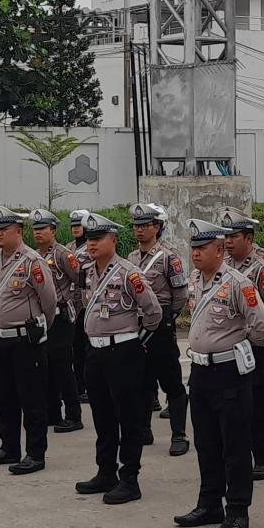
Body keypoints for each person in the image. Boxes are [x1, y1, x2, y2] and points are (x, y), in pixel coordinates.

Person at [172, 218, 264, 528]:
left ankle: (237, 510)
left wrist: (237, 343)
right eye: (194, 248)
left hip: (229, 373)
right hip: (201, 372)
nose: (196, 254)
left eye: (202, 248)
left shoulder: (238, 283)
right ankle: (209, 504)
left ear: (219, 250)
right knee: (206, 443)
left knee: (234, 445)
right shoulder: (194, 280)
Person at [74, 212, 163, 505]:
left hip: (122, 352)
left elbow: (153, 312)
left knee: (129, 416)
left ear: (113, 240)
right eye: (89, 239)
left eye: (98, 239)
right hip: (96, 352)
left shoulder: (128, 273)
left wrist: (138, 341)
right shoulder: (88, 271)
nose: (92, 244)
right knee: (102, 415)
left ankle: (130, 478)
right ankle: (105, 471)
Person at [0, 207, 57, 474]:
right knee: (4, 396)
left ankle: (35, 454)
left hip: (26, 340)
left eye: (4, 230)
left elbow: (49, 301)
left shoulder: (32, 261)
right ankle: (9, 447)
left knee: (31, 399)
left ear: (18, 232)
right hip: (0, 339)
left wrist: (38, 330)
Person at [223, 208, 264, 480]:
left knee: (259, 403)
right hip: (230, 348)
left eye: (234, 236)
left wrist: (254, 334)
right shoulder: (223, 267)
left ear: (248, 238)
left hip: (254, 347)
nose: (228, 241)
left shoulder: (261, 268)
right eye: (226, 236)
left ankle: (263, 458)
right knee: (236, 405)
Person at [130, 203, 190, 455]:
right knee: (141, 381)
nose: (140, 230)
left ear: (157, 227)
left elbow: (180, 293)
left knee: (172, 382)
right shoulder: (132, 258)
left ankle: (179, 435)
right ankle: (144, 430)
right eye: (137, 226)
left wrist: (168, 317)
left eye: (146, 225)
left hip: (161, 326)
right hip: (137, 324)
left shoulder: (168, 257)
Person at [31, 209, 82, 433]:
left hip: (61, 316)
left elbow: (79, 281)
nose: (38, 233)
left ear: (53, 230)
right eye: (35, 229)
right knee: (46, 366)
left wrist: (74, 308)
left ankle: (73, 415)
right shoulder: (32, 255)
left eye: (42, 229)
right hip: (41, 317)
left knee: (62, 367)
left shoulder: (63, 254)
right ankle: (53, 412)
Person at [67, 210, 92, 404]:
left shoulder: (92, 247)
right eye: (73, 225)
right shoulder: (67, 248)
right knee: (74, 348)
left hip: (86, 303)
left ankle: (86, 385)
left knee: (86, 347)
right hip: (71, 304)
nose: (76, 228)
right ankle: (77, 385)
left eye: (79, 225)